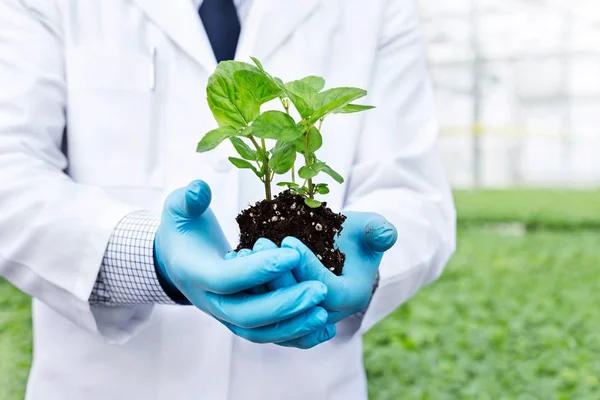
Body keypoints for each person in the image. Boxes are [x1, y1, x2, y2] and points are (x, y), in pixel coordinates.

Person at [0, 0, 456, 399]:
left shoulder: (375, 7)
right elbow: (10, 174)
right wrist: (151, 258)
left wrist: (367, 264)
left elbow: (413, 190)